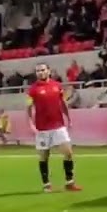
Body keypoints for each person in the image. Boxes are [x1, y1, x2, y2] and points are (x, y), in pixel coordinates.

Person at [27, 63, 79, 193]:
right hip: (42, 129)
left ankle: (69, 182)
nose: (40, 72)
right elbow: (28, 108)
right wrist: (31, 124)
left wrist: (69, 118)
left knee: (68, 152)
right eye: (38, 71)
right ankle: (46, 184)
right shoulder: (33, 89)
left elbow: (63, 103)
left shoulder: (57, 86)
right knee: (44, 156)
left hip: (58, 126)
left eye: (43, 70)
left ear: (48, 71)